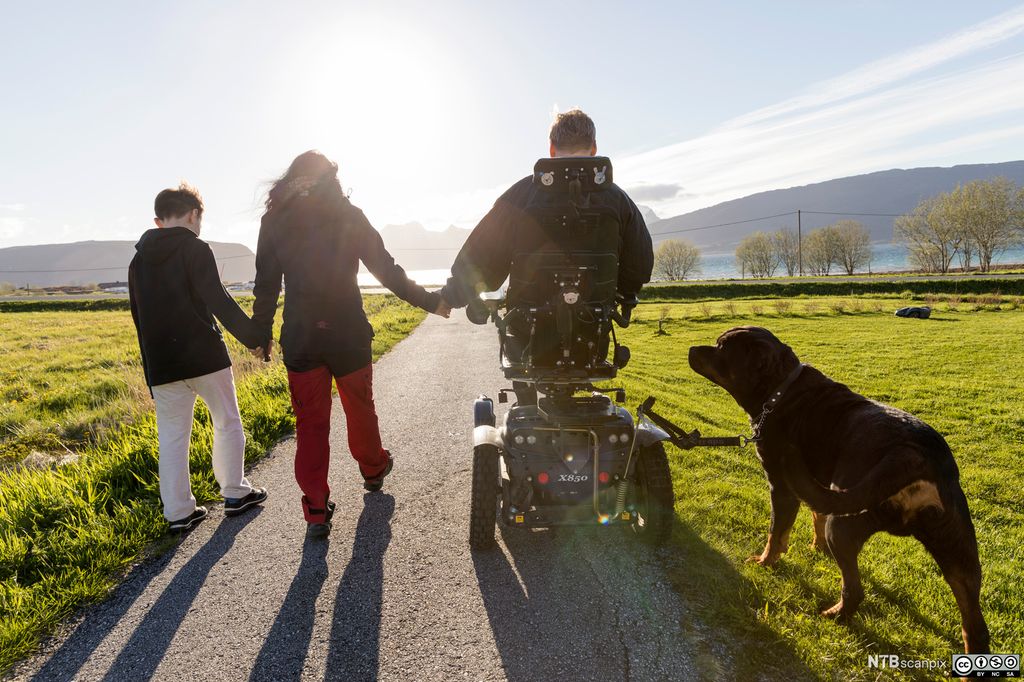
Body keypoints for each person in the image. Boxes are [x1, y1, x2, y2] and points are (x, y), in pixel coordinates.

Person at [251, 151, 450, 539]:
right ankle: (374, 471)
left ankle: (316, 510)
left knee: (310, 424)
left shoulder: (274, 220)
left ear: (291, 178)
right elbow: (386, 269)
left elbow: (266, 285)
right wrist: (429, 301)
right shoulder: (349, 214)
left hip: (302, 337)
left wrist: (262, 334)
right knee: (360, 410)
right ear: (332, 178)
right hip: (348, 333)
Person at [438, 108, 654, 400]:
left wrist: (452, 296)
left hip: (527, 337)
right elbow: (639, 268)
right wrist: (622, 293)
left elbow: (481, 259)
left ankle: (526, 410)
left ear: (551, 149)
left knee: (516, 345)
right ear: (594, 149)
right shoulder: (618, 201)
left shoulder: (520, 196)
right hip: (592, 337)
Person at [129, 183, 268, 533]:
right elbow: (218, 301)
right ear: (193, 214)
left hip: (162, 363)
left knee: (173, 437)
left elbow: (138, 319)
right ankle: (235, 493)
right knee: (226, 421)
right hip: (204, 357)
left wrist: (150, 371)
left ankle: (178, 513)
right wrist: (256, 339)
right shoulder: (195, 249)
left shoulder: (137, 261)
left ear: (159, 221)